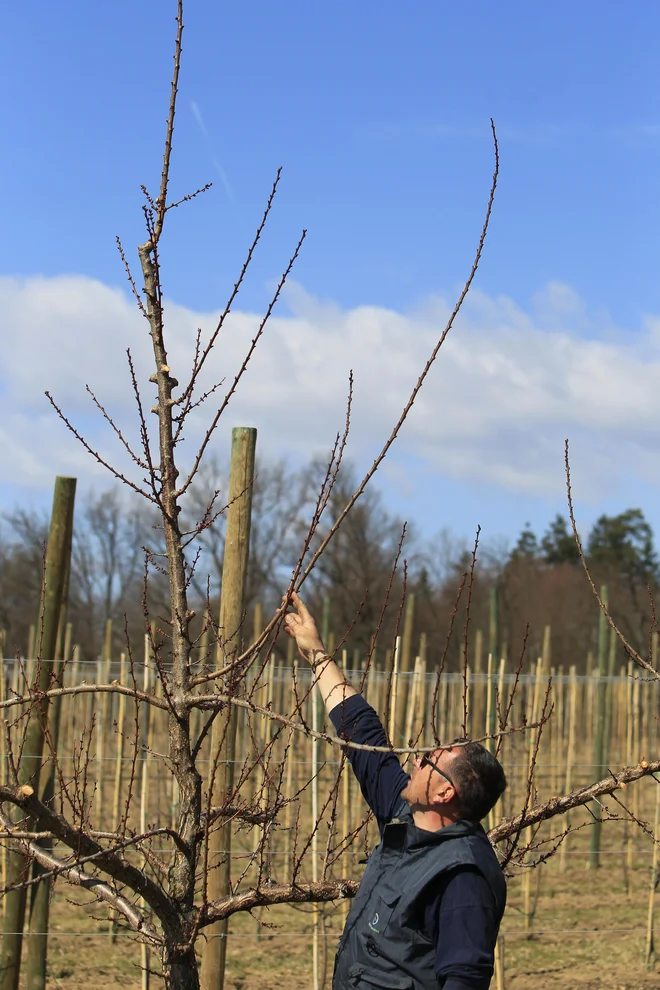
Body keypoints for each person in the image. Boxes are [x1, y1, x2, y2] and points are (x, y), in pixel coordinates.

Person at [284, 592, 507, 990]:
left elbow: (464, 980)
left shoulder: (462, 879)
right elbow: (363, 735)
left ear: (444, 794)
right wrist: (317, 653)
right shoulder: (407, 819)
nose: (416, 759)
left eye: (428, 759)